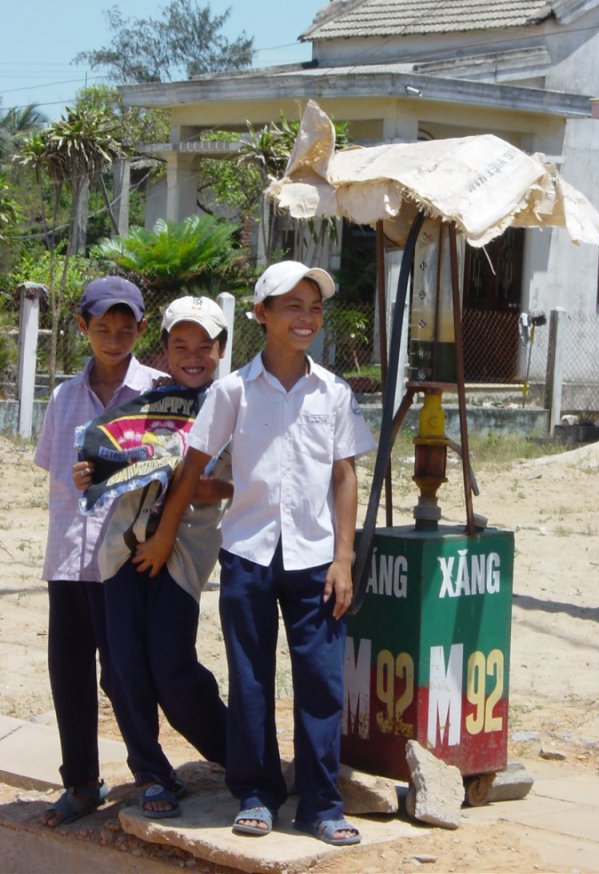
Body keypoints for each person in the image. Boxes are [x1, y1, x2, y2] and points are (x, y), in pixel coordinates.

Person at [133, 261, 376, 846]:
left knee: (320, 681)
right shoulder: (233, 390)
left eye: (314, 307)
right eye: (292, 306)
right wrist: (165, 534)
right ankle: (257, 793)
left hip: (317, 559)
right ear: (262, 314)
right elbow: (194, 466)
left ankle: (320, 802)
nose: (306, 318)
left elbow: (344, 478)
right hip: (248, 554)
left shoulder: (333, 392)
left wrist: (344, 558)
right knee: (250, 679)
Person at [34, 276, 166, 828]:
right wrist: (80, 473)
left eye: (126, 327)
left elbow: (174, 463)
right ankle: (81, 782)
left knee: (124, 671)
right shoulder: (65, 397)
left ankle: (151, 773)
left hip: (124, 559)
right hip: (68, 557)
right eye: (103, 327)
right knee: (69, 672)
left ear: (141, 328)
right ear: (83, 328)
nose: (115, 338)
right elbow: (53, 473)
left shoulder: (156, 390)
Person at [95, 295, 232, 819]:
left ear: (221, 349)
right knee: (125, 667)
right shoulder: (149, 398)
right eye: (181, 345)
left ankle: (236, 755)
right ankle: (152, 774)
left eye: (204, 345)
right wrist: (98, 470)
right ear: (167, 349)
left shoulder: (236, 403)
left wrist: (184, 483)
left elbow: (232, 485)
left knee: (172, 668)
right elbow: (109, 454)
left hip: (182, 555)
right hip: (121, 551)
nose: (192, 355)